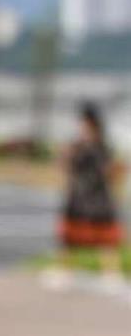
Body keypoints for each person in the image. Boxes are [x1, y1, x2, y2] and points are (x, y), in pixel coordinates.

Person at [43, 101, 126, 292]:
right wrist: (64, 156)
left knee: (106, 236)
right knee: (69, 235)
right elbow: (64, 165)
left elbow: (111, 170)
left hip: (98, 196)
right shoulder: (78, 145)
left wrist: (116, 177)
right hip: (79, 195)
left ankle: (111, 274)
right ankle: (64, 270)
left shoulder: (102, 146)